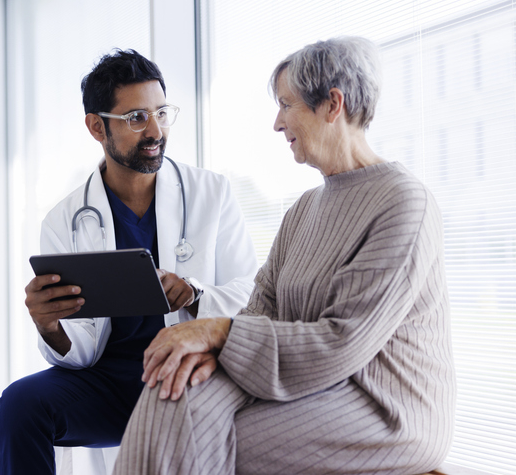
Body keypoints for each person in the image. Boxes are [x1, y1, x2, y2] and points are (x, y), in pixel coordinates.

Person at [112, 36, 457, 475]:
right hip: (306, 384)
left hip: (383, 407)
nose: (277, 123)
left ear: (333, 105)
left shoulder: (403, 203)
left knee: (201, 438)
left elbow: (342, 341)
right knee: (170, 390)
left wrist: (218, 334)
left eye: (286, 104)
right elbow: (261, 309)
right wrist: (209, 347)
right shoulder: (303, 210)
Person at [0, 49, 258, 475]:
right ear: (97, 127)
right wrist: (49, 326)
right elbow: (78, 353)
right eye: (136, 117)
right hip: (108, 383)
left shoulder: (212, 193)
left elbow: (252, 294)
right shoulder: (64, 221)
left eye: (161, 112)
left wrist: (195, 293)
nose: (155, 129)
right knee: (20, 405)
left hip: (187, 369)